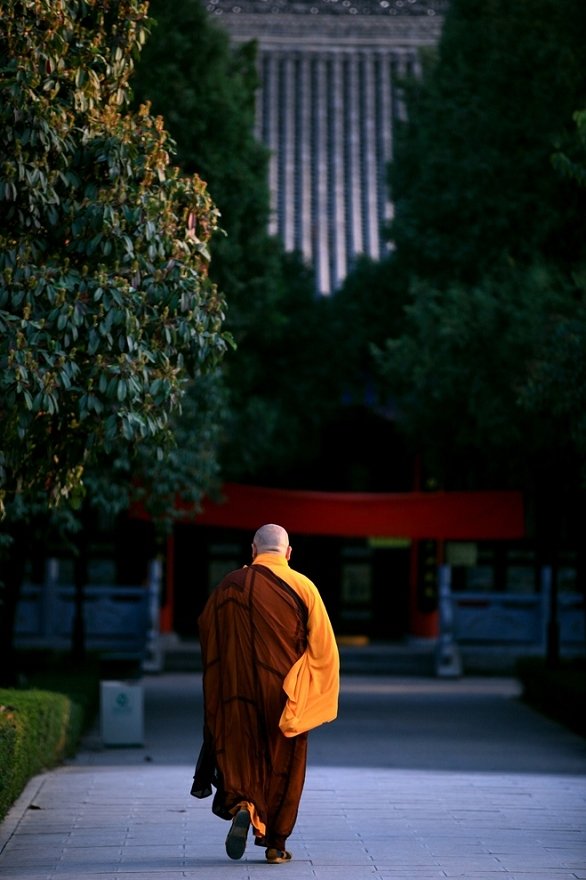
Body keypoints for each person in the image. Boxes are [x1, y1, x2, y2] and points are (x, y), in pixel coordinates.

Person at [191, 523, 340, 864]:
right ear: (288, 553)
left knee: (242, 754)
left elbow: (206, 629)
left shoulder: (230, 585)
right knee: (284, 764)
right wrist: (312, 695)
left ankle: (244, 804)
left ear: (253, 550)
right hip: (284, 692)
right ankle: (276, 843)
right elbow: (324, 650)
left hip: (236, 693)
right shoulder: (304, 586)